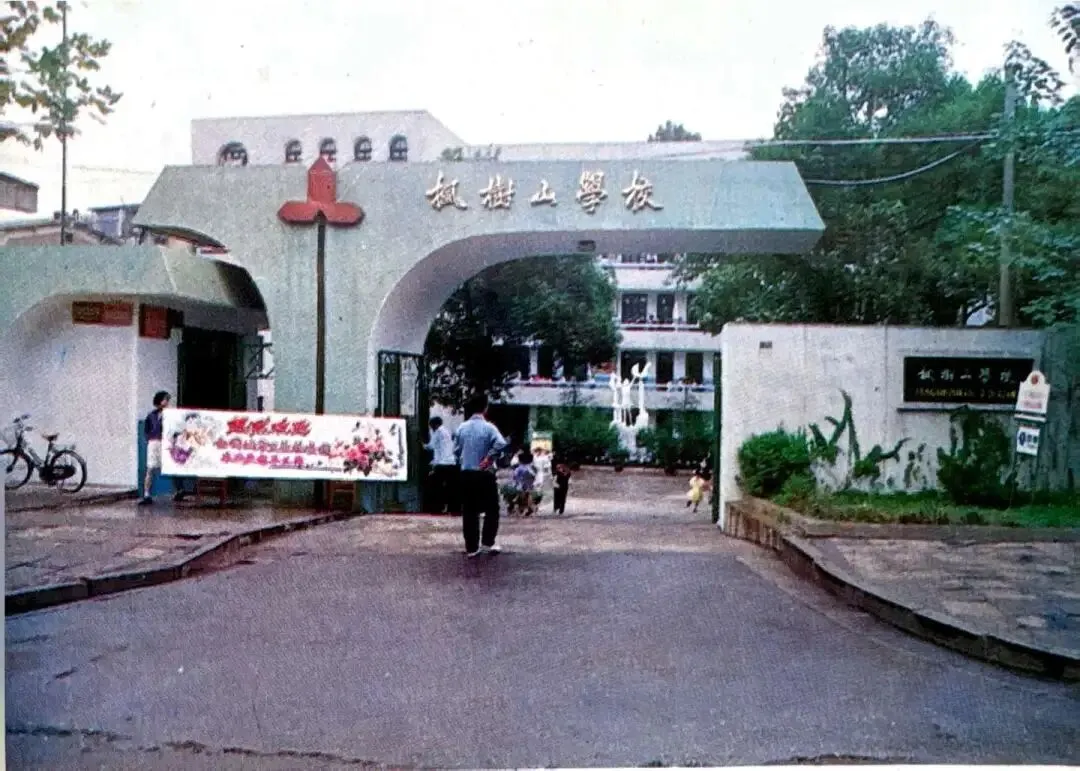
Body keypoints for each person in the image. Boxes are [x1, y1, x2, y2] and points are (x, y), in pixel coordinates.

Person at [454, 393, 509, 557]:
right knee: (492, 508)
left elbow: (456, 451)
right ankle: (488, 542)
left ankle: (471, 547)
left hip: (467, 473)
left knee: (469, 510)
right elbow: (501, 443)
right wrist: (489, 457)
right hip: (485, 473)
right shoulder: (489, 428)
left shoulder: (462, 427)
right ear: (485, 408)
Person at [139, 390, 184, 506]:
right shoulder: (151, 415)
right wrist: (150, 438)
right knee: (150, 468)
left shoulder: (171, 415)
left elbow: (176, 429)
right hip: (154, 443)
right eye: (165, 399)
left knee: (172, 466)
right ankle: (147, 494)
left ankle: (179, 490)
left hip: (166, 443)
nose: (167, 402)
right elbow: (147, 430)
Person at [424, 416, 458, 514]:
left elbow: (431, 446)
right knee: (451, 487)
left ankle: (437, 508)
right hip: (451, 462)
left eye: (431, 426)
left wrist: (422, 444)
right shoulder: (446, 431)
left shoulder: (438, 432)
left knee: (437, 487)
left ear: (435, 425)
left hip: (442, 464)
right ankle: (453, 509)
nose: (431, 428)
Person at [512, 451, 537, 517]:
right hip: (529, 485)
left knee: (520, 498)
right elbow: (534, 476)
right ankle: (528, 508)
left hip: (521, 485)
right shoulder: (532, 468)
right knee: (528, 496)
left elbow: (515, 477)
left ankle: (523, 509)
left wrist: (516, 483)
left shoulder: (518, 468)